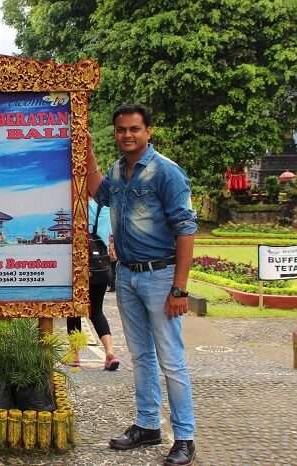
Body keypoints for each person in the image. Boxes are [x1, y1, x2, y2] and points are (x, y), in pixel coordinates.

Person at [86, 104, 197, 466]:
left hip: (161, 276)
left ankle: (184, 437)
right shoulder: (119, 171)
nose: (127, 135)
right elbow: (97, 192)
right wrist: (85, 149)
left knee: (171, 360)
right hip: (128, 276)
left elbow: (185, 230)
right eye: (121, 130)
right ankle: (148, 425)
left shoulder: (166, 172)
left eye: (134, 129)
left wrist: (179, 289)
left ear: (148, 131)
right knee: (142, 356)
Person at [67, 199, 119, 370]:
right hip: (101, 267)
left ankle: (75, 355)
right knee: (96, 311)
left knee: (74, 311)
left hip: (80, 265)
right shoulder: (105, 208)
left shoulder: (75, 202)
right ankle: (110, 351)